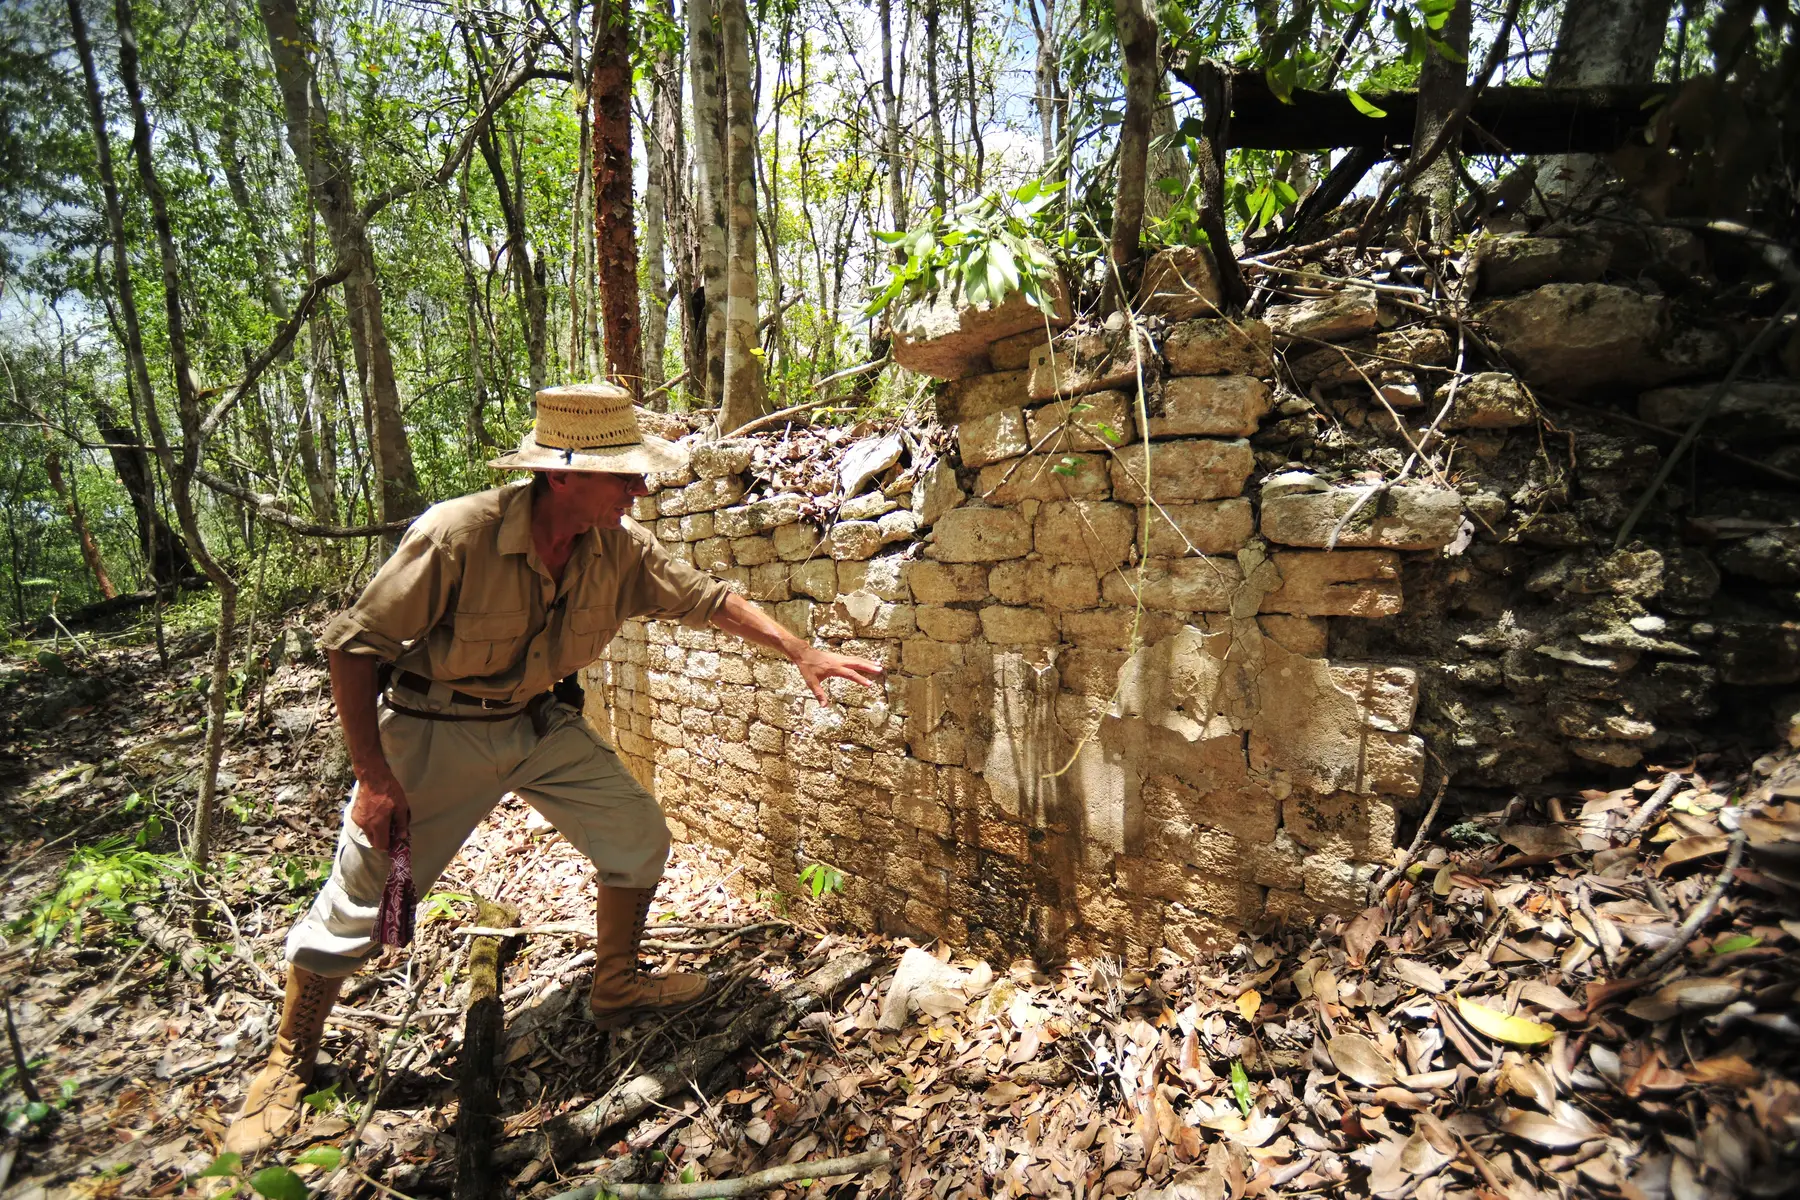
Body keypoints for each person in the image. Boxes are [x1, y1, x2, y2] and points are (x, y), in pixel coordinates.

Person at [225, 383, 885, 1154]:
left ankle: (616, 985)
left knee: (637, 834)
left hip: (538, 723)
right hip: (435, 729)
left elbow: (707, 598)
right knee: (371, 894)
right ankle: (288, 1061)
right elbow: (352, 645)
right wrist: (375, 778)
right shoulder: (457, 535)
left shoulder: (619, 547)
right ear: (562, 474)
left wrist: (800, 650)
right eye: (623, 475)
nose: (640, 490)